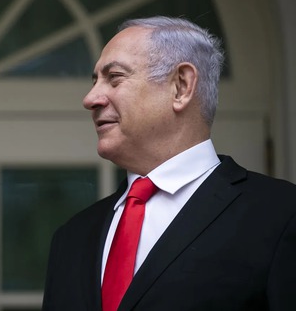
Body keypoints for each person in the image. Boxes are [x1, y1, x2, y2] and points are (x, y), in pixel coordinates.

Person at [42, 16, 296, 311]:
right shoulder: (71, 238)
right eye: (95, 81)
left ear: (181, 86)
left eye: (114, 78)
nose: (90, 98)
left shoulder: (281, 215)